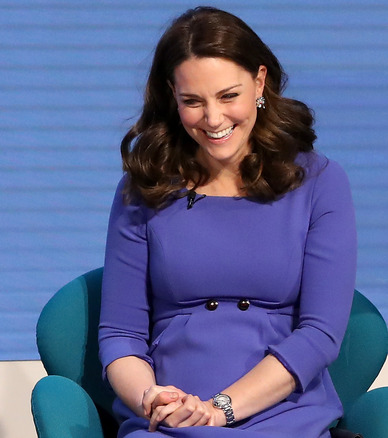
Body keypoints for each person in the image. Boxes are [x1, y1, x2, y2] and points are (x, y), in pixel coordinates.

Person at [98, 7, 356, 437]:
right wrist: (152, 398)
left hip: (284, 413)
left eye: (228, 96)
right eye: (193, 102)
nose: (214, 120)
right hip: (171, 416)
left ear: (259, 81)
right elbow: (120, 335)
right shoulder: (142, 188)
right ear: (171, 95)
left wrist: (222, 409)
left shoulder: (319, 181)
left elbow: (320, 333)